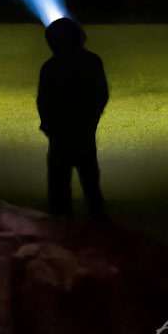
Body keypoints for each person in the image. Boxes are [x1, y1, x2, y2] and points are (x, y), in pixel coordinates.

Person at [37, 15, 109, 218]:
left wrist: (48, 124)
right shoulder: (92, 61)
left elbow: (44, 100)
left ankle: (60, 221)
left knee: (59, 181)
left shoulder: (50, 67)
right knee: (90, 180)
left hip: (60, 132)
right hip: (84, 129)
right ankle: (98, 220)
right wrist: (92, 116)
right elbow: (101, 93)